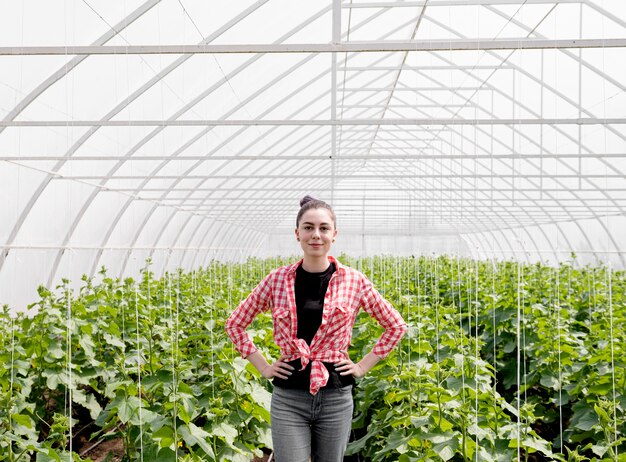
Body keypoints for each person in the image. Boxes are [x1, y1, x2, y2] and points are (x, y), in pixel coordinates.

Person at [225, 196, 408, 462]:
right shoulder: (277, 279)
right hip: (289, 397)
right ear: (297, 234)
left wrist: (361, 367)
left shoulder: (354, 281)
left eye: (324, 228)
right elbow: (235, 323)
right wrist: (264, 367)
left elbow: (395, 325)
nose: (316, 235)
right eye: (308, 228)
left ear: (334, 234)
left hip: (336, 397)